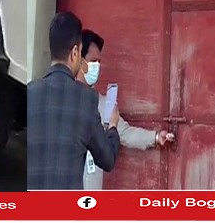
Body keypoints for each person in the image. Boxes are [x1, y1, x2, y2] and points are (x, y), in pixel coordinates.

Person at [26, 12, 120, 189]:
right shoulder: (86, 99)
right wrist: (113, 127)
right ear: (75, 52)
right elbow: (107, 160)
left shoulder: (30, 92)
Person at [78, 29, 175, 189]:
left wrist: (156, 137)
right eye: (93, 61)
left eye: (99, 62)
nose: (97, 67)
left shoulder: (103, 104)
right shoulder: (61, 101)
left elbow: (124, 133)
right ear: (78, 60)